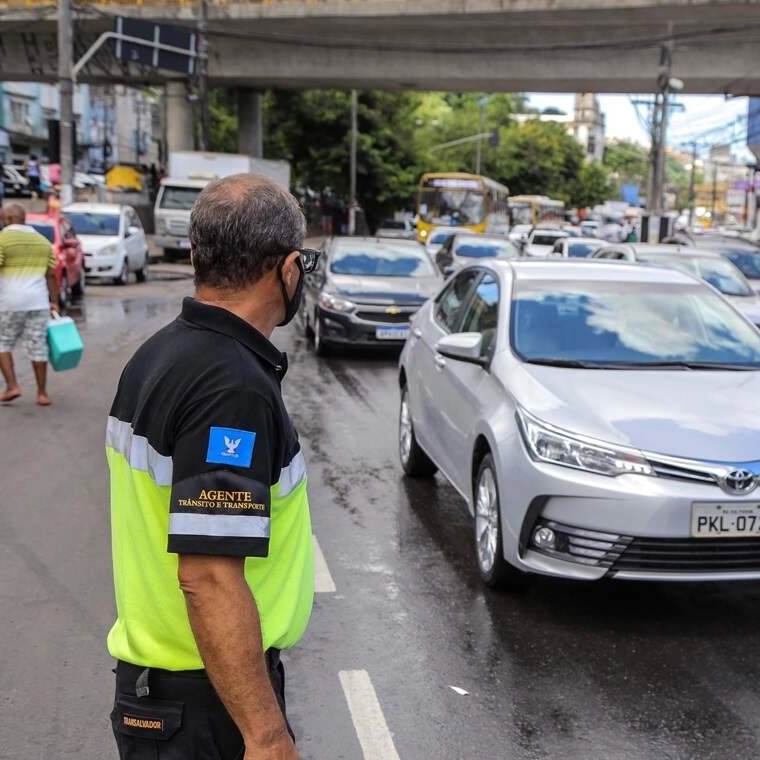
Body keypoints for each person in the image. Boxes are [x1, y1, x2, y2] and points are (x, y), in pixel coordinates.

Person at [106, 174, 317, 760]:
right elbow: (209, 577)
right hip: (205, 704)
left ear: (198, 255)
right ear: (289, 268)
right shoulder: (231, 388)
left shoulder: (161, 354)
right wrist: (266, 735)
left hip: (168, 695)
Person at [0, 203, 59, 406]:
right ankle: (42, 393)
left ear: (7, 219)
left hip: (9, 302)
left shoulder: (2, 239)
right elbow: (51, 275)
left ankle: (12, 386)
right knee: (38, 346)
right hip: (38, 302)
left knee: (3, 343)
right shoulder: (43, 242)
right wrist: (54, 302)